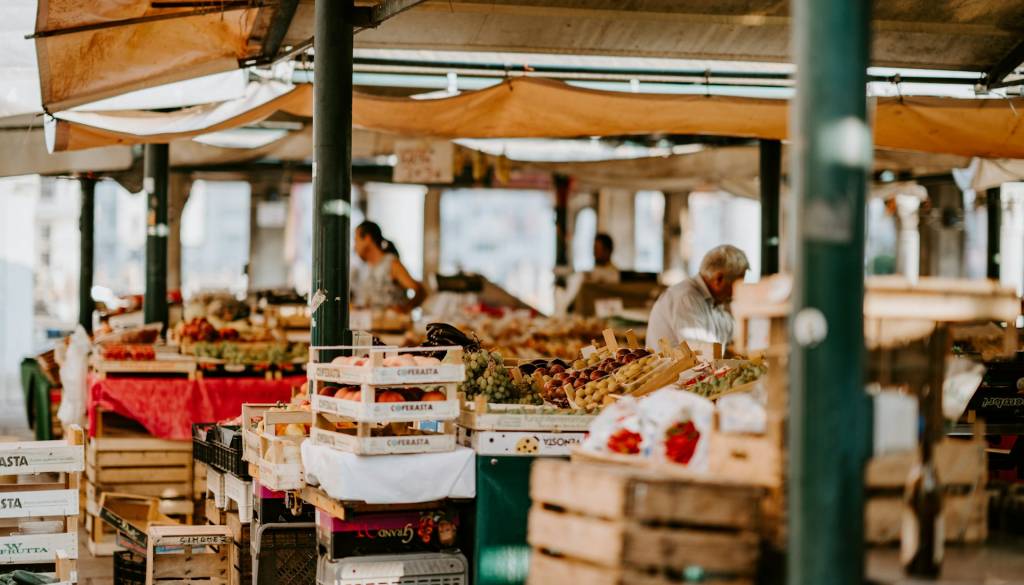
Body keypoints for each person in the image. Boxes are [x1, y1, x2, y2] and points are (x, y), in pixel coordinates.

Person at [646, 245, 750, 349]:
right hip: (678, 365)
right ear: (719, 279)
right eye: (737, 284)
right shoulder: (686, 298)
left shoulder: (715, 302)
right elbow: (702, 354)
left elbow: (734, 335)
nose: (737, 291)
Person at [352, 221, 426, 312]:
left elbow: (420, 291)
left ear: (367, 239)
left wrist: (405, 309)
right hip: (372, 324)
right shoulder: (365, 268)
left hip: (391, 325)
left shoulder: (391, 264)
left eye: (356, 240)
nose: (354, 247)